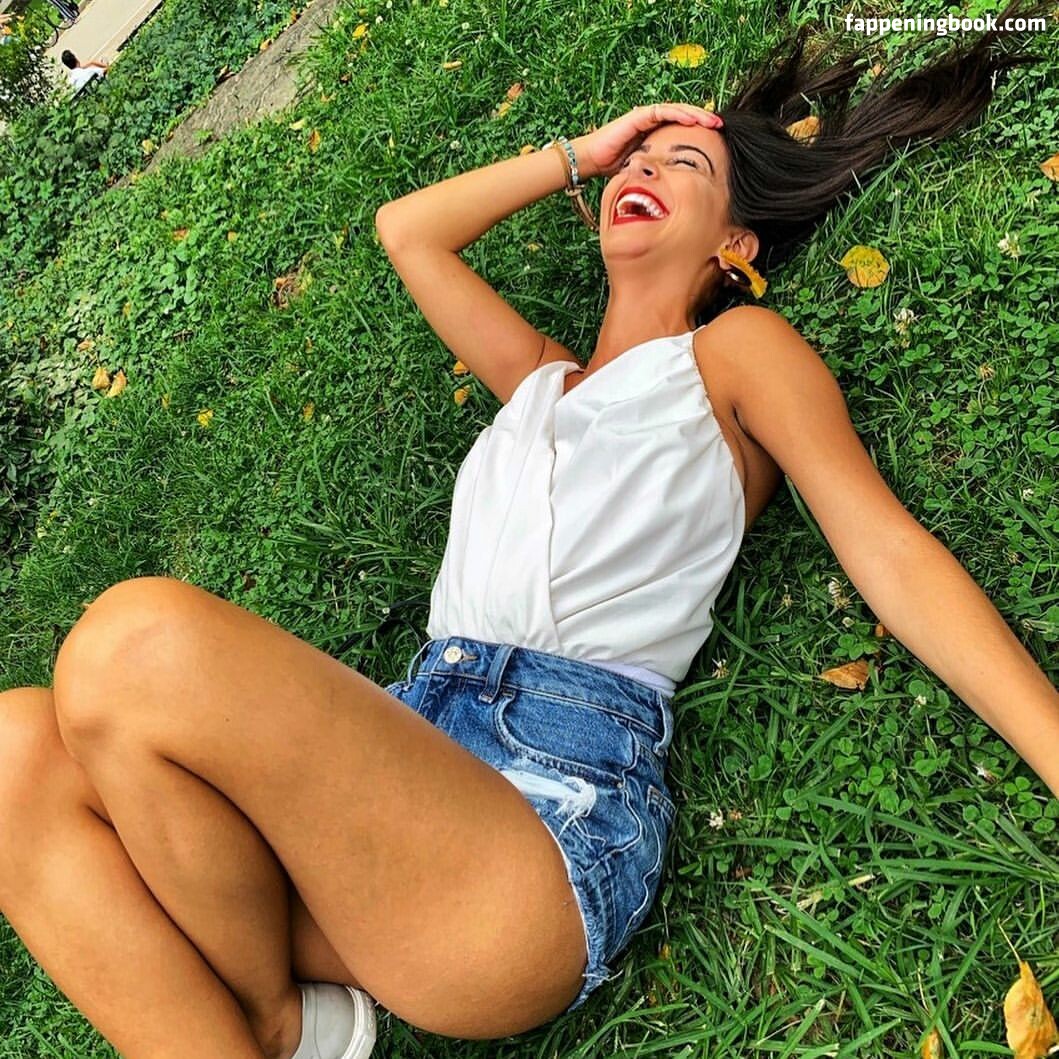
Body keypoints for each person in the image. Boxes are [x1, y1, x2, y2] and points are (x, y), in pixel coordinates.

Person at [0, 1, 1055, 1056]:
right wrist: (581, 153)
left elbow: (885, 551)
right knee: (11, 754)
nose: (642, 167)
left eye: (682, 164)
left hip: (538, 833)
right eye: (634, 159)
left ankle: (279, 1021)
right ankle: (270, 1024)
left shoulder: (732, 357)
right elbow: (406, 230)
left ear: (735, 244)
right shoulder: (540, 381)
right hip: (397, 791)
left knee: (134, 644)